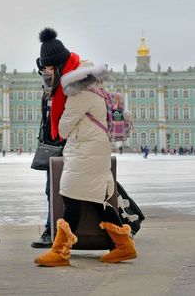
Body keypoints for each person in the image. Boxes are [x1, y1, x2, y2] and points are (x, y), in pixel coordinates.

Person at [34, 60, 138, 267]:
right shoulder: (102, 93)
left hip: (84, 151)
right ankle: (124, 246)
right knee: (96, 198)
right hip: (96, 149)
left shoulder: (81, 95)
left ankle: (60, 252)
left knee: (71, 196)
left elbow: (63, 128)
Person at [30, 28, 73, 248]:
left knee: (63, 190)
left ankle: (56, 231)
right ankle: (52, 229)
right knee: (52, 189)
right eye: (43, 68)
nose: (45, 72)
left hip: (70, 147)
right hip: (53, 146)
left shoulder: (72, 85)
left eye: (48, 67)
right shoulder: (50, 86)